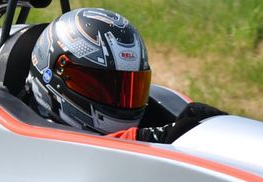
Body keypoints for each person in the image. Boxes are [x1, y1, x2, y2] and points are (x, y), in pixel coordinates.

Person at [23, 8, 223, 143]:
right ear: (56, 75)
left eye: (130, 87)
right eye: (98, 86)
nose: (119, 102)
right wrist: (151, 139)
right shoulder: (28, 142)